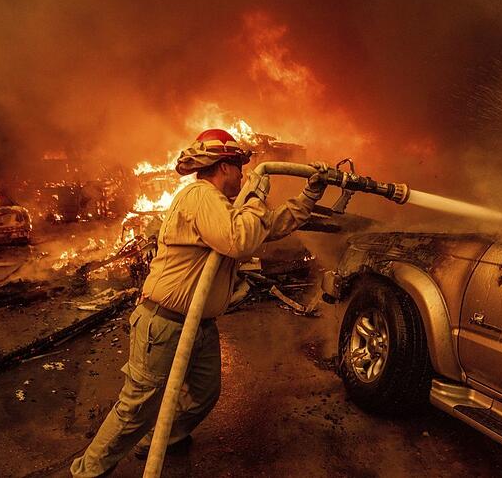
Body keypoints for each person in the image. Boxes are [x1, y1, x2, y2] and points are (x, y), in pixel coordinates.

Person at [70, 128, 327, 476]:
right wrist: (255, 195)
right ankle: (86, 472)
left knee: (205, 393)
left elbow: (270, 225)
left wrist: (309, 195)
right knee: (136, 408)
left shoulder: (223, 207)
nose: (243, 176)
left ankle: (162, 439)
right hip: (164, 324)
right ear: (223, 167)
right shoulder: (199, 195)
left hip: (198, 325)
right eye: (239, 168)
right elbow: (240, 240)